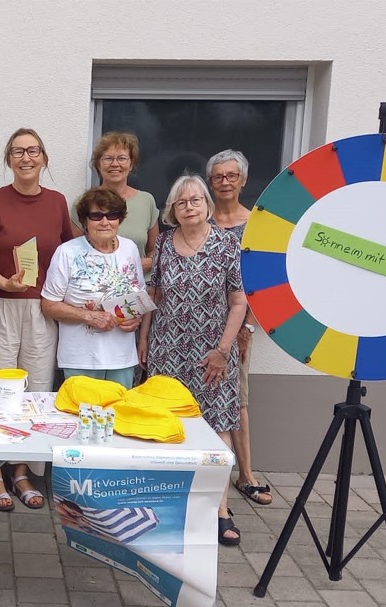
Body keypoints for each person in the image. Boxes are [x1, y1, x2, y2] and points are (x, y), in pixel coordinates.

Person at [138, 174, 247, 547]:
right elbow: (154, 294)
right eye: (181, 203)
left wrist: (223, 349)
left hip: (211, 353)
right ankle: (173, 506)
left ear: (207, 205)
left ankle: (220, 510)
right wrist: (144, 338)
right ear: (172, 210)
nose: (189, 207)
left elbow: (239, 301)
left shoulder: (226, 245)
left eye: (195, 201)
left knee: (217, 428)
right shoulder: (166, 244)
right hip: (167, 349)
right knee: (169, 427)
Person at [0, 128, 76, 512]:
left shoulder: (57, 202)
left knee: (34, 391)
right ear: (9, 159)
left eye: (33, 151)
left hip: (42, 310)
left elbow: (69, 255)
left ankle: (21, 471)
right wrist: (7, 283)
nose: (26, 158)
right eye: (17, 152)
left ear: (44, 158)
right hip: (1, 304)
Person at [207, 149, 271, 507]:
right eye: (218, 177)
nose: (225, 182)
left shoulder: (256, 225)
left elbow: (265, 282)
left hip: (239, 327)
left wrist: (247, 327)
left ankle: (246, 475)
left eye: (232, 176)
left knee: (238, 401)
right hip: (201, 327)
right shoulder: (203, 221)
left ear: (243, 180)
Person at [42, 187, 145, 386]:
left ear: (119, 219)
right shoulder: (67, 252)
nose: (105, 222)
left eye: (111, 215)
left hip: (122, 358)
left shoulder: (130, 248)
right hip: (81, 358)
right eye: (96, 216)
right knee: (82, 415)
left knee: (118, 414)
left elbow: (139, 295)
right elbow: (48, 304)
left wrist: (136, 319)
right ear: (85, 222)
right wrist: (90, 316)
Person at [91, 132, 158, 274]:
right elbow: (75, 251)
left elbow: (154, 251)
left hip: (138, 287)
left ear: (131, 164)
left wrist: (141, 264)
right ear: (98, 164)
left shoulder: (146, 201)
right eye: (108, 158)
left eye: (122, 158)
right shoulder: (86, 202)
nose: (115, 164)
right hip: (97, 287)